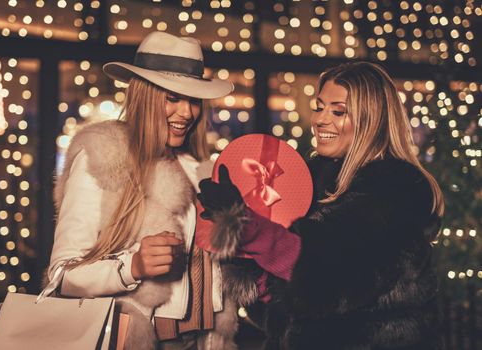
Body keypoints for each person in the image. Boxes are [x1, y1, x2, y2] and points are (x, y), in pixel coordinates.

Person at [198, 62, 445, 349]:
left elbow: (325, 277)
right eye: (318, 107)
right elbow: (285, 310)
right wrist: (259, 280)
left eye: (338, 111)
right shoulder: (311, 181)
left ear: (371, 120)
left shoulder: (395, 189)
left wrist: (246, 226)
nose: (320, 120)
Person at [46, 31, 241, 350]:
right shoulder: (105, 156)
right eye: (172, 97)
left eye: (193, 99)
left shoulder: (201, 170)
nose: (186, 113)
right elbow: (61, 276)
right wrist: (131, 267)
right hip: (140, 339)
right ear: (144, 95)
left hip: (206, 341)